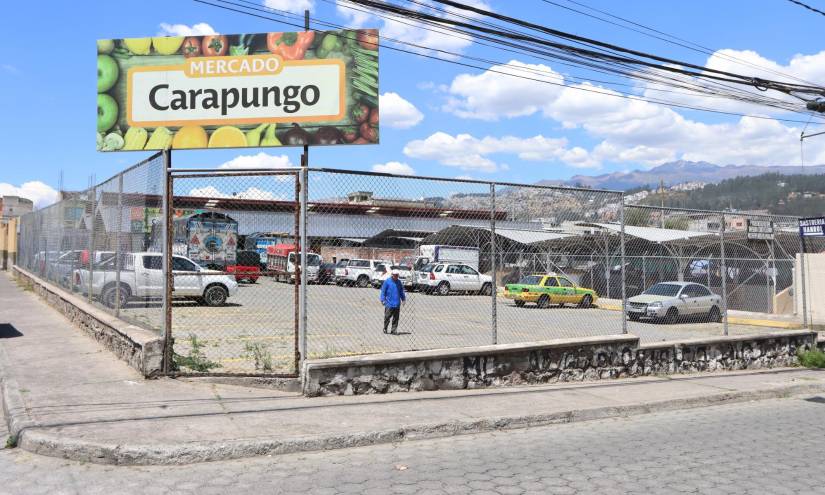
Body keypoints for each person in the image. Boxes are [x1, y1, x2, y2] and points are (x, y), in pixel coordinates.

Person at [379, 269, 406, 335]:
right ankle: (385, 328)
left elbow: (401, 291)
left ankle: (393, 330)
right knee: (387, 317)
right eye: (395, 275)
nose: (396, 276)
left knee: (396, 318)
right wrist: (382, 299)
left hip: (397, 304)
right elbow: (383, 291)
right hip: (389, 303)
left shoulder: (399, 282)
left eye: (397, 275)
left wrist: (403, 299)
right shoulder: (387, 282)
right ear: (392, 275)